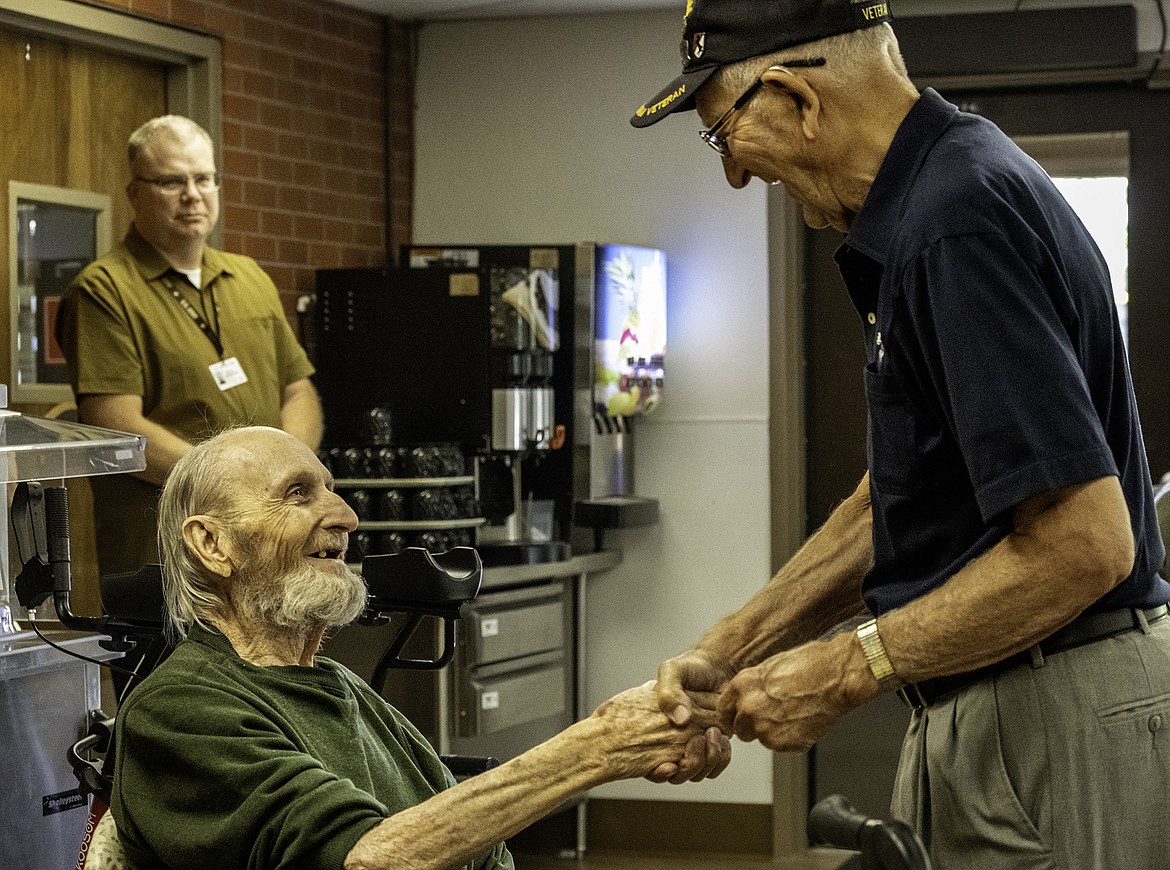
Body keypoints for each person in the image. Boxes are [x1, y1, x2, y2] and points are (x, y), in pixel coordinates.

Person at [631, 1, 1170, 867]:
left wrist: (848, 668)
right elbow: (899, 502)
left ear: (794, 97)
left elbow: (1083, 542)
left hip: (1050, 702)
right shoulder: (935, 199)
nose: (733, 173)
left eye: (721, 132)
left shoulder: (955, 222)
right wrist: (725, 652)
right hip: (997, 701)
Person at [110, 426, 731, 869]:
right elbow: (370, 859)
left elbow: (479, 852)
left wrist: (632, 740)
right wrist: (598, 747)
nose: (347, 516)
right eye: (298, 494)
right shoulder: (181, 709)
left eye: (331, 490)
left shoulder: (341, 687)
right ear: (214, 545)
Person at [58, 115, 322, 579]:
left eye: (204, 178)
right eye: (170, 181)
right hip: (170, 552)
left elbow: (298, 392)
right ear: (134, 192)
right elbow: (115, 424)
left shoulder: (250, 277)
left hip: (273, 541)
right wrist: (238, 486)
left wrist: (288, 479)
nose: (192, 195)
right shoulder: (103, 290)